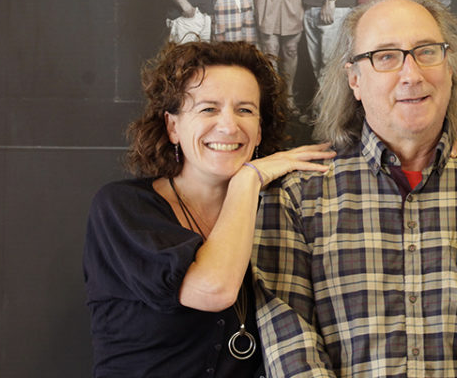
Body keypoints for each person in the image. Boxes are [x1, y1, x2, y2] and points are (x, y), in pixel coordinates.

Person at [252, 0, 457, 377]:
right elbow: (289, 341)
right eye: (386, 57)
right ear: (354, 80)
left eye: (427, 51)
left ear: (450, 68)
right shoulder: (298, 195)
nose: (412, 74)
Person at [84, 41, 332, 377]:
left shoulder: (280, 213)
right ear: (173, 127)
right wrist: (247, 179)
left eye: (245, 110)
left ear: (259, 130)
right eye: (208, 109)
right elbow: (213, 289)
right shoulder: (122, 208)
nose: (229, 126)